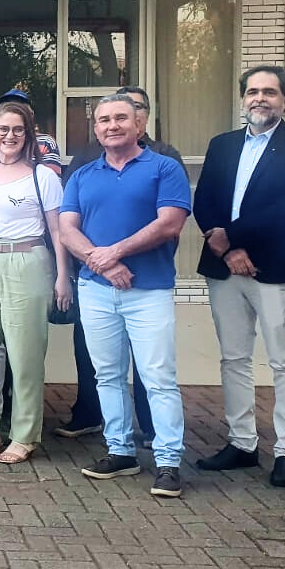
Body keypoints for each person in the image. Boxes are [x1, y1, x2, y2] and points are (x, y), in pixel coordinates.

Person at [191, 66, 285, 488]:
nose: (259, 98)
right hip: (224, 266)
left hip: (274, 267)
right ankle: (242, 443)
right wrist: (227, 249)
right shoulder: (223, 144)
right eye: (252, 92)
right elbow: (204, 199)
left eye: (269, 91)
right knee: (234, 358)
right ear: (242, 98)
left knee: (284, 361)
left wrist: (234, 238)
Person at [59, 94, 192, 497]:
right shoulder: (84, 174)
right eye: (104, 120)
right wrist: (103, 264)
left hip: (148, 290)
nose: (112, 125)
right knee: (108, 375)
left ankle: (168, 461)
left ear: (139, 124)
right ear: (95, 128)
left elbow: (170, 223)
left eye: (120, 118)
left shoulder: (164, 167)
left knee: (158, 377)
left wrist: (114, 252)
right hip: (96, 290)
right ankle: (120, 451)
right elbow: (67, 229)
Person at [0, 100, 69, 464]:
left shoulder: (43, 176)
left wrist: (63, 276)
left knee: (25, 355)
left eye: (18, 130)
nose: (10, 136)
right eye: (3, 129)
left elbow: (58, 230)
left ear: (28, 134)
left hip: (28, 260)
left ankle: (24, 435)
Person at [0, 89, 63, 175]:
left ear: (31, 114)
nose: (10, 136)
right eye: (7, 108)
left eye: (20, 109)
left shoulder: (46, 142)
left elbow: (52, 179)